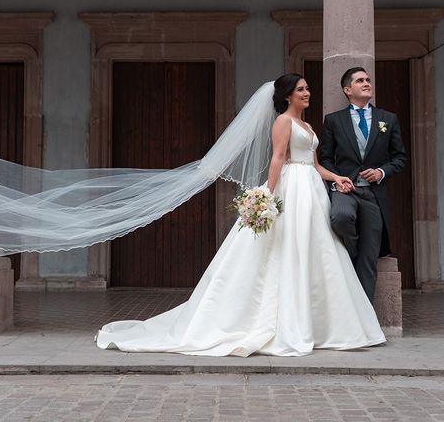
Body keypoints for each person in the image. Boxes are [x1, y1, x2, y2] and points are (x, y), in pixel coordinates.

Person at [96, 74, 386, 357]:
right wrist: (267, 195)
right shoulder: (283, 122)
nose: (307, 93)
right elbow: (277, 158)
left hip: (312, 189)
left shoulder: (307, 125)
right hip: (292, 189)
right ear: (287, 95)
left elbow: (314, 163)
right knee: (287, 249)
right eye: (300, 89)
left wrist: (336, 177)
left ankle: (323, 326)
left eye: (307, 88)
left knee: (317, 250)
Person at [318, 67, 407, 302]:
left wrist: (380, 172)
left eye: (368, 79)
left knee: (369, 261)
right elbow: (325, 157)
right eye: (360, 80)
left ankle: (364, 318)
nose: (367, 83)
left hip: (374, 194)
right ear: (348, 90)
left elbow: (399, 158)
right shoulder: (334, 121)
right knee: (340, 217)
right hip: (345, 190)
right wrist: (338, 180)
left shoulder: (388, 119)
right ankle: (353, 250)